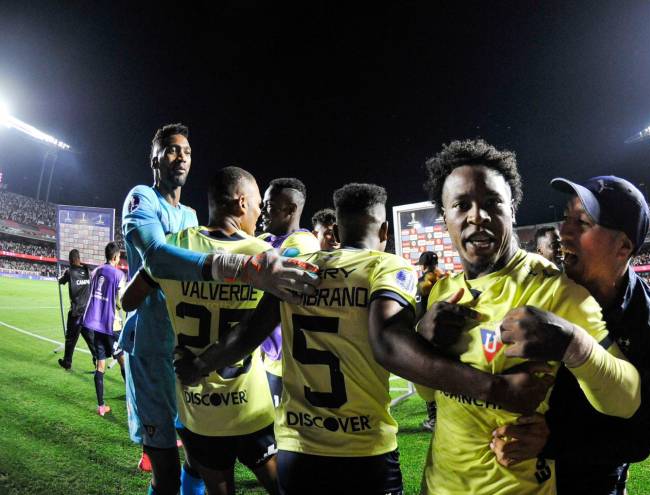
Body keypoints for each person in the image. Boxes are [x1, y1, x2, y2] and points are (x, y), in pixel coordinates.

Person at [175, 182, 555, 494]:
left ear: (336, 232)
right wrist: (494, 389)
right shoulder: (386, 267)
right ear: (385, 232)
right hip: (365, 450)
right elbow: (388, 343)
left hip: (298, 448)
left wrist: (199, 365)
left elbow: (247, 335)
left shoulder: (299, 270)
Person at [417, 139, 642, 494]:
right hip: (437, 485)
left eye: (493, 202)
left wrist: (573, 344)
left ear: (513, 211)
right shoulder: (442, 292)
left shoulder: (554, 291)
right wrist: (424, 341)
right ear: (445, 219)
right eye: (462, 205)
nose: (478, 215)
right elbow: (430, 395)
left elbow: (627, 398)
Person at [121, 123, 318, 494]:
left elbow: (129, 294)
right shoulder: (142, 198)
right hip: (160, 351)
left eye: (187, 151)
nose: (181, 156)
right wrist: (235, 268)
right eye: (172, 149)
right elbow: (156, 255)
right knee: (166, 465)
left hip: (190, 370)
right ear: (155, 157)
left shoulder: (188, 226)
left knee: (198, 464)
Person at [489, 176, 650, 495]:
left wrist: (552, 441)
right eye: (566, 218)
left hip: (592, 484)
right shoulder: (540, 288)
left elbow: (640, 439)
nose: (564, 232)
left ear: (623, 247)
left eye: (583, 222)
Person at [123, 166, 279, 495]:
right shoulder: (262, 257)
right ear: (241, 203)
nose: (259, 213)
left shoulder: (177, 246)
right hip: (251, 406)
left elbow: (129, 299)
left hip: (199, 410)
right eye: (257, 205)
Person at [257, 178, 320, 412]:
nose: (262, 211)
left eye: (269, 205)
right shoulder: (267, 240)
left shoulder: (303, 244)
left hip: (290, 361)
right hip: (270, 357)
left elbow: (271, 284)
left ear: (291, 209)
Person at [82, 241, 127, 416]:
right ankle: (131, 398)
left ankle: (101, 406)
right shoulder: (118, 275)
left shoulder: (96, 271)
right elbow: (120, 302)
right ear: (115, 257)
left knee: (100, 365)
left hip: (96, 324)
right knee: (123, 360)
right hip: (113, 325)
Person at [415, 250, 446, 432]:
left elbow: (418, 309)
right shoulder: (445, 278)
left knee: (426, 377)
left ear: (423, 264)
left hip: (425, 332)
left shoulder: (422, 281)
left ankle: (434, 420)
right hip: (445, 332)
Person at [57, 249, 94, 370]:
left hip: (76, 314)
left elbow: (61, 281)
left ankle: (67, 362)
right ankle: (98, 362)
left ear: (71, 260)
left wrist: (59, 278)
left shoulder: (69, 272)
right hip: (88, 313)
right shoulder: (88, 271)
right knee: (91, 339)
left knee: (70, 339)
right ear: (79, 258)